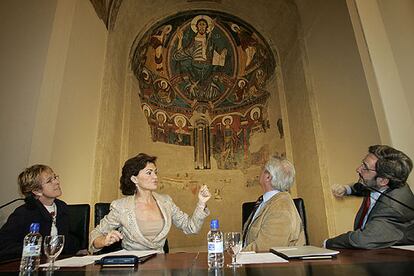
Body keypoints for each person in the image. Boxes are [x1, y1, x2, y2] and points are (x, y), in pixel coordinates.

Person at [89, 153, 211, 253]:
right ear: (134, 179)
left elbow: (191, 227)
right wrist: (104, 241)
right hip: (132, 267)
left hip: (161, 266)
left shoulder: (166, 202)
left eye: (155, 172)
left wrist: (201, 203)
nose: (155, 177)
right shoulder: (121, 207)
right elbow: (95, 235)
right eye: (149, 173)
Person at [327, 145, 414, 249]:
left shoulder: (393, 209)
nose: (358, 169)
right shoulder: (388, 183)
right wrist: (347, 190)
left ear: (383, 180)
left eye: (365, 167)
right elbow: (365, 186)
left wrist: (327, 243)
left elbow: (362, 240)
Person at [0, 165, 80, 261]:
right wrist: (34, 250)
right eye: (49, 181)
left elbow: (68, 240)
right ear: (36, 191)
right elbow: (4, 244)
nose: (57, 182)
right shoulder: (24, 213)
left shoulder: (62, 207)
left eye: (55, 177)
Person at [242, 156, 305, 251]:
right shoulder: (268, 202)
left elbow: (265, 248)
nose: (260, 172)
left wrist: (234, 255)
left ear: (268, 177)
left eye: (263, 169)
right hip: (253, 263)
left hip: (269, 265)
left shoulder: (281, 208)